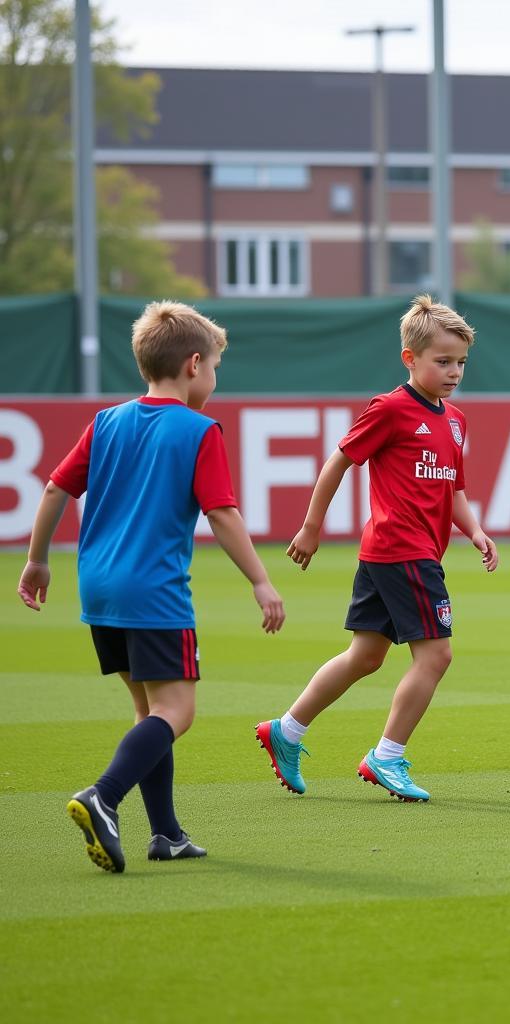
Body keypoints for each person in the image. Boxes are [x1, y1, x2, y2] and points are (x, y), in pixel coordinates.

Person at [17, 301, 285, 874]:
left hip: (102, 591)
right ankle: (103, 796)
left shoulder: (107, 421)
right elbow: (222, 515)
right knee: (176, 711)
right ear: (194, 365)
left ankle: (166, 833)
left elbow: (54, 491)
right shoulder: (198, 430)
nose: (214, 377)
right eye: (214, 366)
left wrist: (38, 560)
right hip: (155, 592)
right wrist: (261, 581)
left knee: (149, 712)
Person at [256, 295, 498, 803]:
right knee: (436, 655)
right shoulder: (389, 409)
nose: (454, 371)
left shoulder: (455, 420)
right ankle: (387, 756)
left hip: (399, 554)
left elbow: (452, 489)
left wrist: (473, 531)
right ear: (410, 359)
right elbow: (339, 461)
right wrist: (311, 526)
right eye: (443, 361)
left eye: (460, 362)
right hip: (401, 549)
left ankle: (287, 730)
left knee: (365, 655)